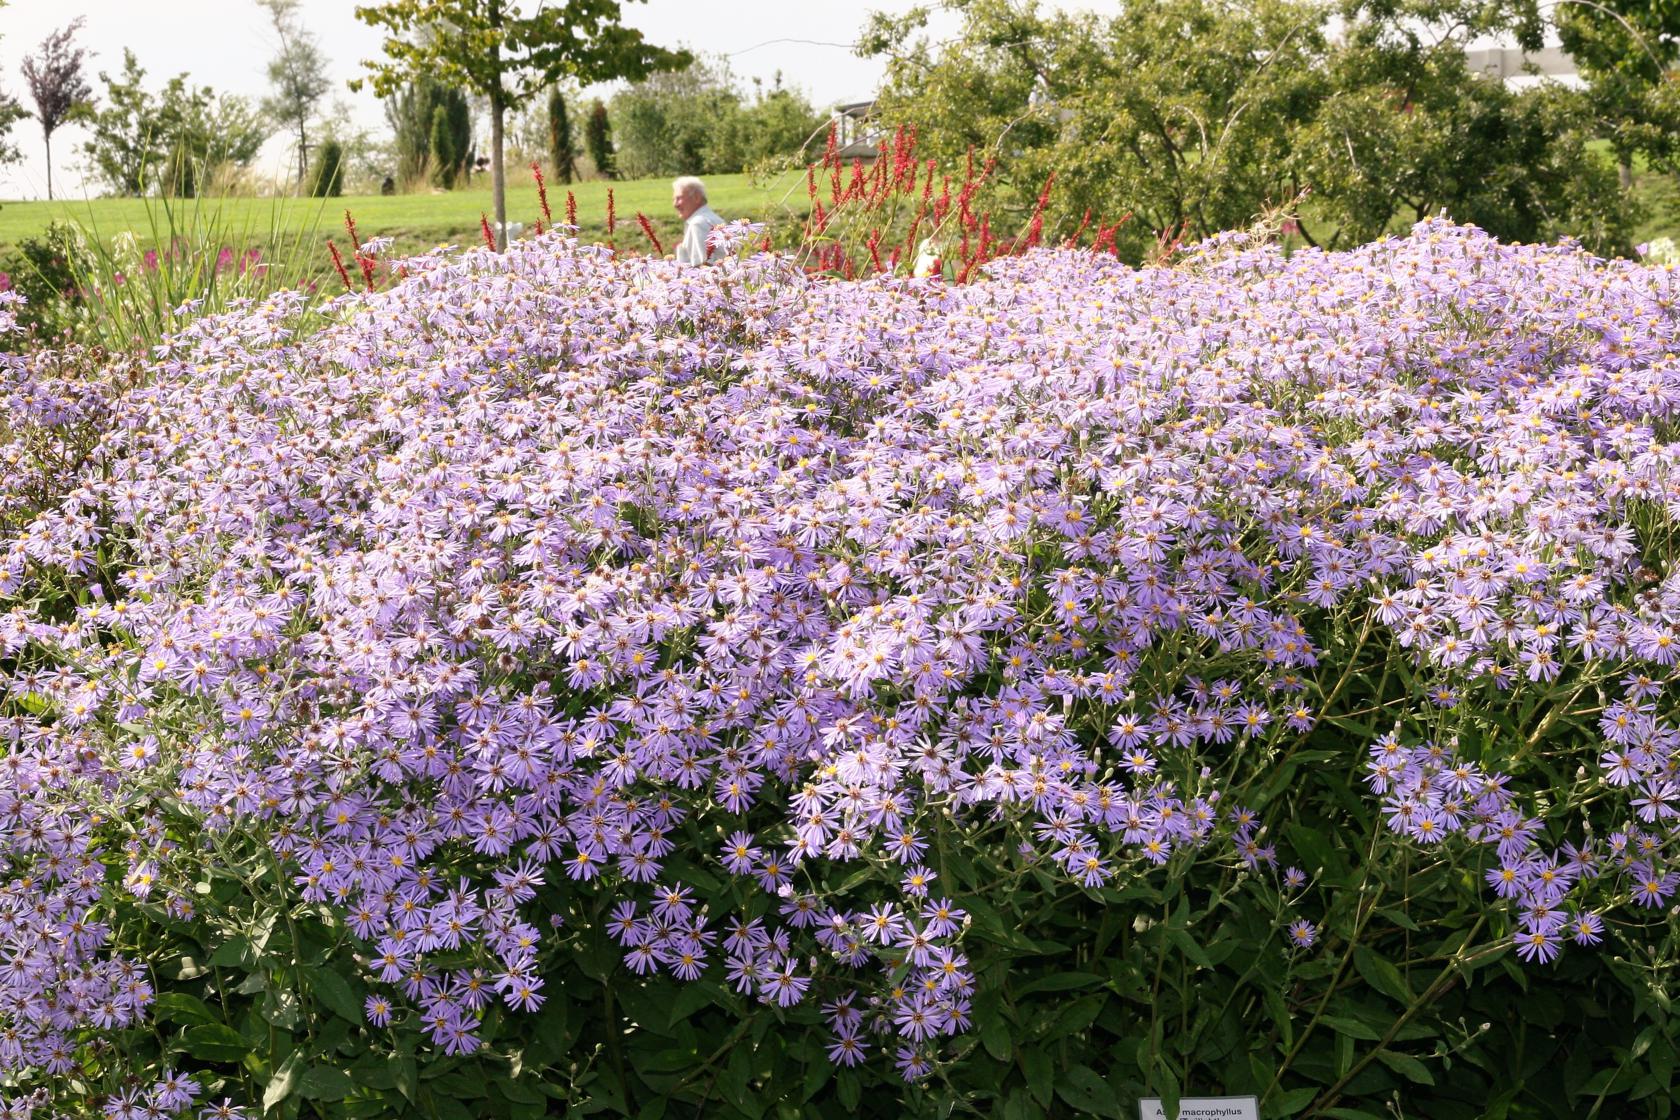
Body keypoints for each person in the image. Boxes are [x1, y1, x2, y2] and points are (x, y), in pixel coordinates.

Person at [672, 176, 724, 265]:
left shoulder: (698, 224)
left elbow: (703, 265)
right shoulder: (713, 218)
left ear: (697, 198)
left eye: (679, 198)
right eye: (674, 199)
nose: (675, 204)